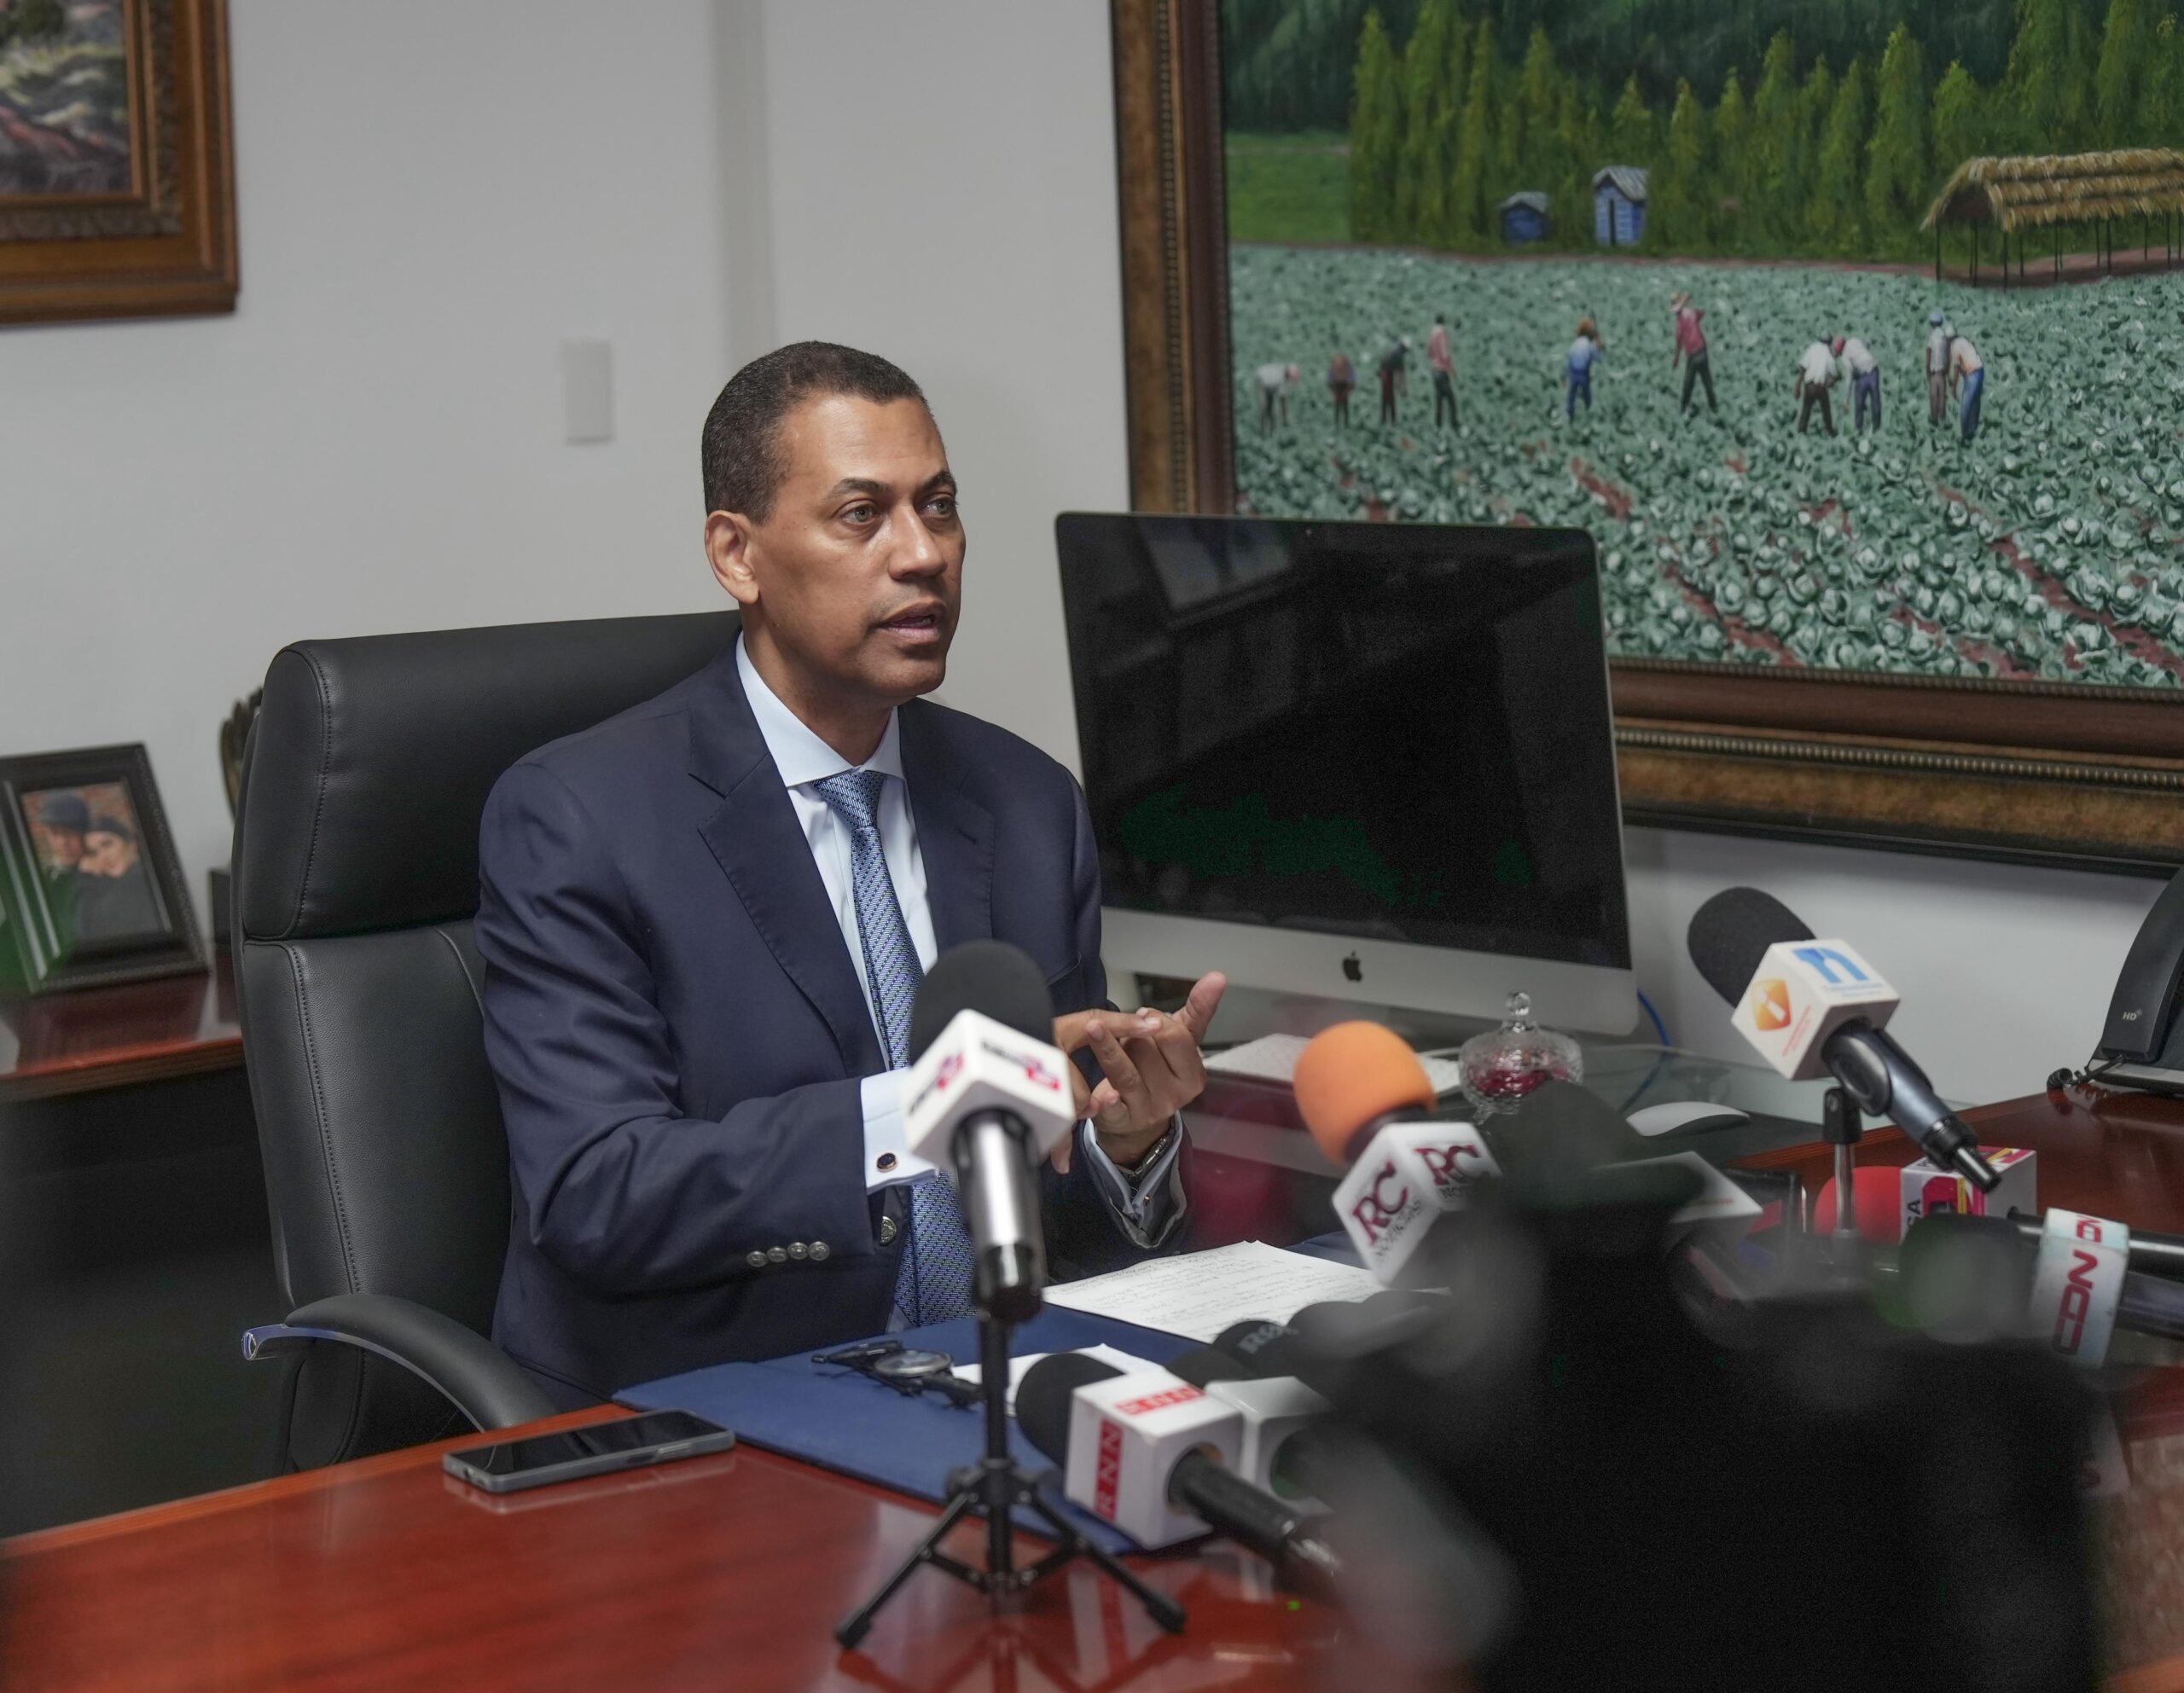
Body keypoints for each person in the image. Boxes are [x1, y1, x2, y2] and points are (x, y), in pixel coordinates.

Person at [476, 342, 1226, 1406]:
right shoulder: (577, 817)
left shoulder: (1027, 802)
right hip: (711, 1411)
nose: (923, 554)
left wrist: (1125, 1139)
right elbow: (600, 1191)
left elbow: (1044, 1208)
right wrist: (929, 1107)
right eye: (862, 514)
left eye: (940, 507)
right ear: (737, 554)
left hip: (989, 1391)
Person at [73, 814, 162, 942]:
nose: (103, 857)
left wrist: (85, 878)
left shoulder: (140, 877)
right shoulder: (108, 888)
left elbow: (89, 929)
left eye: (107, 844)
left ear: (130, 843)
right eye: (94, 853)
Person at [1670, 292, 1716, 416]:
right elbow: (1701, 313)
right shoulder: (1691, 312)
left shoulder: (1679, 323)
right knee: (1707, 380)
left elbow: (1679, 343)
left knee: (1688, 383)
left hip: (1693, 355)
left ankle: (1683, 408)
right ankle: (1714, 406)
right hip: (1702, 349)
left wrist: (1675, 360)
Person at [1837, 333, 1880, 433]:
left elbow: (1849, 378)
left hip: (1863, 375)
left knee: (1859, 402)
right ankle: (1876, 426)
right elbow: (1867, 342)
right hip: (1873, 369)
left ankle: (1858, 428)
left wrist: (1846, 401)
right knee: (1875, 400)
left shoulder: (1845, 356)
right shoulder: (1854, 340)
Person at [1948, 327, 1984, 444]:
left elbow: (1956, 367)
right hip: (1980, 369)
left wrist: (1954, 387)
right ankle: (1973, 427)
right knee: (1975, 401)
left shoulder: (1954, 346)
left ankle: (1964, 435)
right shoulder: (1963, 340)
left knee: (1966, 405)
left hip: (1972, 374)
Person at [1795, 335, 1838, 435]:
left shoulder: (1812, 349)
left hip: (1809, 385)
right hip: (1821, 386)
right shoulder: (1829, 354)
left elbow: (1803, 367)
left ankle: (1802, 430)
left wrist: (1798, 385)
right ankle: (1829, 430)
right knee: (1826, 409)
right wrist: (1828, 385)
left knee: (1806, 409)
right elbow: (1834, 375)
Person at [1565, 317, 1603, 420]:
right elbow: (1597, 358)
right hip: (1583, 373)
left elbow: (1570, 358)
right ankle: (1589, 411)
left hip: (1573, 372)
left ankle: (1570, 414)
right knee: (1587, 395)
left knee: (1571, 395)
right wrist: (1599, 347)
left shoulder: (1575, 343)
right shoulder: (1588, 344)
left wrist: (1565, 374)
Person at [1426, 313, 1457, 429]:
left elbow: (1429, 352)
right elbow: (1445, 355)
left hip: (1434, 370)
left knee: (1439, 398)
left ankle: (1438, 424)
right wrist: (1452, 370)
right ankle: (1454, 423)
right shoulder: (1442, 332)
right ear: (1443, 322)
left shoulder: (1432, 333)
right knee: (1451, 399)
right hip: (1442, 370)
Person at [1254, 361, 1299, 433]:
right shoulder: (1282, 380)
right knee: (1264, 407)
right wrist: (1285, 419)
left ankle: (1272, 429)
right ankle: (1262, 430)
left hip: (1271, 385)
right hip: (1263, 382)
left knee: (1271, 409)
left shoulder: (1283, 372)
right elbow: (1282, 403)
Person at [1925, 310, 1950, 429]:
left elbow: (1928, 354)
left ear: (1932, 324)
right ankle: (1942, 418)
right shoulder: (1944, 336)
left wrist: (1927, 371)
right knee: (1942, 396)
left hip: (1934, 372)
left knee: (1933, 396)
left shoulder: (1932, 337)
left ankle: (1934, 418)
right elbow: (1948, 354)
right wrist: (1947, 368)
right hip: (1942, 371)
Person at [1377, 336, 1409, 425]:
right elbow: (1401, 373)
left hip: (1384, 373)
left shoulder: (1392, 347)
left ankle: (1384, 419)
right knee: (1390, 397)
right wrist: (1403, 390)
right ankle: (1392, 420)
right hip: (1387, 374)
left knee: (1385, 397)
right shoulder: (1399, 354)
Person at [1327, 346, 1355, 427]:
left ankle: (1340, 423)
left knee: (1339, 406)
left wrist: (1334, 390)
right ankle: (1343, 423)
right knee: (1342, 406)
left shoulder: (1337, 365)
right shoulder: (1345, 365)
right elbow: (1352, 379)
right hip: (1341, 385)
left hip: (1340, 385)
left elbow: (1329, 378)